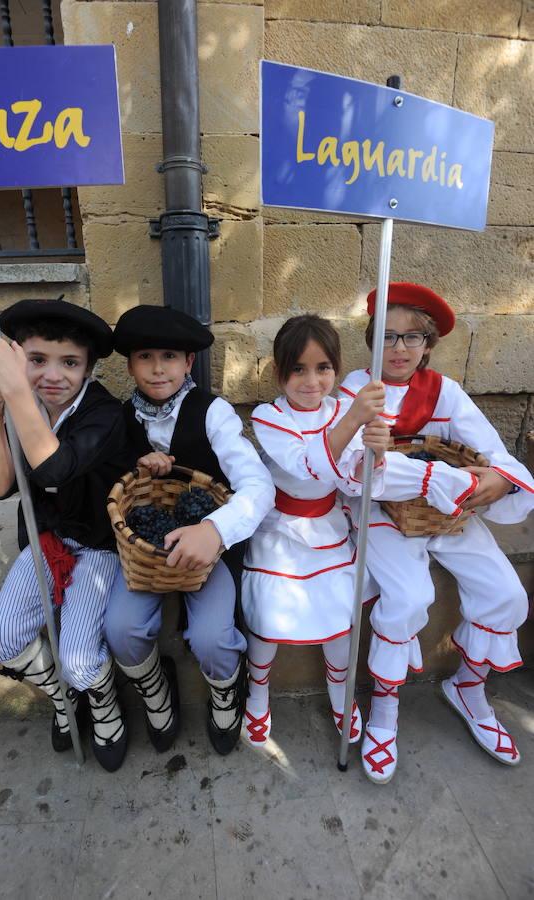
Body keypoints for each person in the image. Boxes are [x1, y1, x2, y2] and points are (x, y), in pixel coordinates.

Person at [339, 282, 534, 784]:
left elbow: (493, 453)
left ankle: (469, 688)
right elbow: (347, 466)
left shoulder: (445, 391)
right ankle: (384, 712)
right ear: (369, 339)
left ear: (428, 345)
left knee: (506, 592)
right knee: (407, 597)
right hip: (383, 513)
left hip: (445, 512)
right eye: (386, 336)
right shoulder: (354, 390)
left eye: (412, 338)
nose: (398, 349)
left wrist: (497, 479)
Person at [103, 304, 275, 756]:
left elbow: (258, 486)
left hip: (206, 549)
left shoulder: (212, 411)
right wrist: (139, 467)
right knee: (120, 627)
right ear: (130, 364)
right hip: (146, 552)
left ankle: (225, 690)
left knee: (212, 636)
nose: (158, 368)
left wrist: (215, 531)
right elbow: (116, 482)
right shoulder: (123, 418)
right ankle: (156, 688)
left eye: (170, 356)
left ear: (189, 363)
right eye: (145, 357)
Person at [0, 297, 132, 772]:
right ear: (19, 356)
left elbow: (55, 468)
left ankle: (102, 702)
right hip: (46, 542)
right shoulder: (22, 406)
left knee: (82, 660)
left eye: (70, 363)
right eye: (36, 360)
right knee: (1, 638)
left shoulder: (105, 413)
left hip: (100, 548)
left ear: (87, 368)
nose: (53, 375)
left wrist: (18, 392)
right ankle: (65, 697)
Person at [241, 314, 389, 745]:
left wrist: (374, 456)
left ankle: (341, 695)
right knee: (267, 617)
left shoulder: (343, 408)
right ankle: (258, 693)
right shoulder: (269, 416)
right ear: (277, 372)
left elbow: (349, 481)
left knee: (342, 619)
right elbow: (307, 463)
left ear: (336, 370)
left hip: (329, 526)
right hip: (280, 528)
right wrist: (355, 419)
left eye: (323, 368)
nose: (311, 381)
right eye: (298, 369)